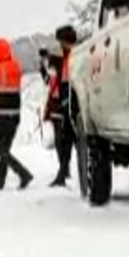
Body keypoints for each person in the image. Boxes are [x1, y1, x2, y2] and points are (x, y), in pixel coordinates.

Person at [0, 38, 33, 190]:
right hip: (15, 116)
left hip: (1, 116)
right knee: (5, 151)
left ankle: (23, 174)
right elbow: (2, 75)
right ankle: (0, 184)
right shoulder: (15, 67)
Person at [43, 25, 79, 186]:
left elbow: (52, 82)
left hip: (62, 103)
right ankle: (64, 172)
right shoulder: (72, 55)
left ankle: (64, 172)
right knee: (67, 139)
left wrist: (44, 67)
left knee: (64, 140)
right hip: (67, 101)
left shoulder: (61, 58)